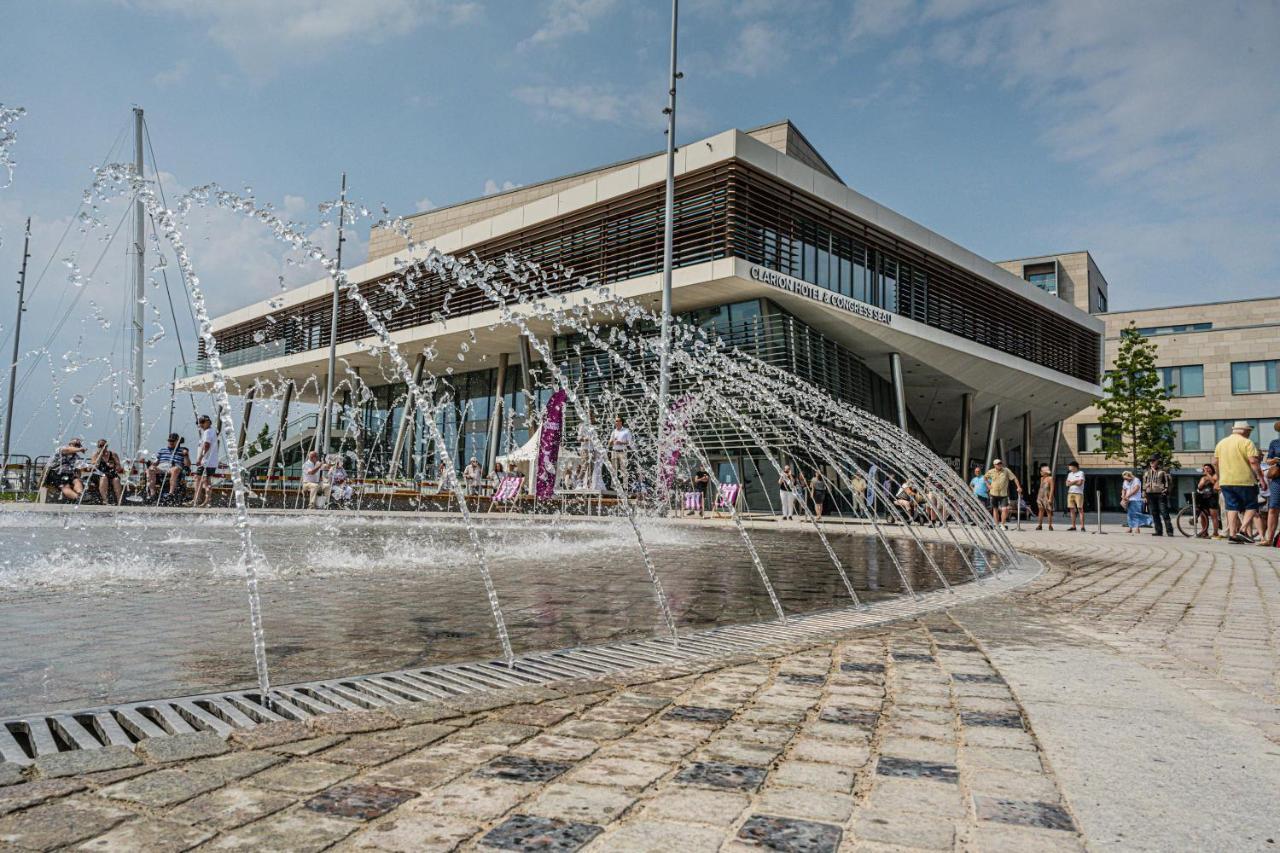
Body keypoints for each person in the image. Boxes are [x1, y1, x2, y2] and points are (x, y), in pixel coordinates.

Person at [1213, 420, 1265, 544]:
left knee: (1231, 507)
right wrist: (1261, 478)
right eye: (1249, 431)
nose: (1249, 433)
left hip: (1226, 481)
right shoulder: (1247, 442)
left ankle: (1232, 535)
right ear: (1244, 431)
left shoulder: (1221, 443)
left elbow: (1215, 463)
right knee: (1252, 506)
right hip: (1244, 480)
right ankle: (1242, 530)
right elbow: (1253, 461)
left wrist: (1219, 479)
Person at [189, 414, 219, 508]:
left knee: (204, 481)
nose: (200, 425)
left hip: (206, 462)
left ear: (207, 422)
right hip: (209, 462)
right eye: (198, 423)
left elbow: (206, 445)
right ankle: (198, 500)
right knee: (201, 480)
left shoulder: (208, 432)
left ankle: (205, 501)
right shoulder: (211, 431)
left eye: (202, 422)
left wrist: (200, 458)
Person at [147, 434, 189, 500]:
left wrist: (186, 455)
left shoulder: (182, 450)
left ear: (177, 441)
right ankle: (153, 494)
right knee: (150, 469)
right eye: (169, 440)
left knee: (175, 469)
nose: (171, 442)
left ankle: (171, 494)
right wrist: (151, 464)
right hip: (162, 466)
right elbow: (156, 462)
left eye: (173, 441)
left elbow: (187, 464)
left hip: (174, 466)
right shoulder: (162, 450)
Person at [984, 459, 1021, 530]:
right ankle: (997, 525)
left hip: (1003, 494)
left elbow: (1014, 478)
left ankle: (1003, 524)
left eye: (1000, 463)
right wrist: (988, 485)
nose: (999, 464)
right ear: (994, 465)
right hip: (993, 493)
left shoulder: (1006, 470)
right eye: (998, 464)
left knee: (1005, 509)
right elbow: (985, 478)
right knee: (995, 509)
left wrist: (1018, 487)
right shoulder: (991, 471)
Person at [1141, 456, 1173, 537]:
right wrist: (1144, 495)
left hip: (1160, 494)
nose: (1151, 462)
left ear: (1157, 461)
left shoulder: (1163, 471)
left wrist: (1166, 490)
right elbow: (1144, 484)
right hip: (1150, 494)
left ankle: (1169, 531)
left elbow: (1168, 482)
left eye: (1153, 460)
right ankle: (1158, 531)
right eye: (1150, 461)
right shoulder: (1146, 472)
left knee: (1164, 512)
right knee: (1154, 513)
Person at [91, 439, 125, 505]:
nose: (102, 447)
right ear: (98, 446)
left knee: (116, 480)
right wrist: (100, 455)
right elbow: (95, 466)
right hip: (99, 474)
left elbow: (119, 467)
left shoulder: (113, 454)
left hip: (111, 473)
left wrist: (116, 463)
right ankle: (105, 500)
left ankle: (119, 501)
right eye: (100, 446)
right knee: (104, 478)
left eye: (104, 445)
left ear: (107, 446)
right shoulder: (95, 455)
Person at [1194, 463, 1221, 539]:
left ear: (1212, 469)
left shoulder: (1215, 475)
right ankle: (1204, 531)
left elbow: (1213, 482)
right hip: (1204, 497)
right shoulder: (1203, 477)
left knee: (1213, 516)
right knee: (1203, 516)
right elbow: (1199, 486)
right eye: (1205, 468)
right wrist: (1202, 482)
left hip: (1212, 497)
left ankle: (1215, 532)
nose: (1206, 470)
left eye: (1208, 468)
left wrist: (1208, 476)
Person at [609, 416, 631, 493]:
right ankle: (613, 486)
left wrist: (621, 442)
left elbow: (629, 442)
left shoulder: (626, 431)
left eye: (617, 421)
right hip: (614, 451)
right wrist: (612, 442)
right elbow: (610, 443)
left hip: (622, 451)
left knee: (623, 469)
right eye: (615, 421)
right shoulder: (613, 431)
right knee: (613, 470)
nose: (616, 422)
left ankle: (625, 487)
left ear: (621, 422)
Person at [1261, 456, 1279, 547]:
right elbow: (1268, 461)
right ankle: (1269, 539)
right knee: (1273, 508)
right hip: (1277, 481)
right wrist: (1275, 460)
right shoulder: (1275, 443)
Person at [1065, 462, 1085, 531]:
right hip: (1070, 493)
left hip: (1078, 493)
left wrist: (1071, 482)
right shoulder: (1070, 474)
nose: (1069, 468)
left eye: (1070, 467)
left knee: (1080, 509)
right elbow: (1067, 484)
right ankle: (1073, 526)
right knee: (1071, 510)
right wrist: (1075, 481)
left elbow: (1080, 483)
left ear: (1074, 467)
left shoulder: (1081, 473)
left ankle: (1082, 526)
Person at [1035, 465, 1055, 531]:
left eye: (1041, 471)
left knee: (1048, 511)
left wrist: (1050, 498)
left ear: (1045, 472)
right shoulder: (1041, 478)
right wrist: (1038, 497)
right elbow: (1041, 488)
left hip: (1047, 496)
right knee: (1040, 511)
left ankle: (1050, 525)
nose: (1040, 472)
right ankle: (1040, 525)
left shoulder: (1050, 478)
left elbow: (1052, 489)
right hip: (1040, 496)